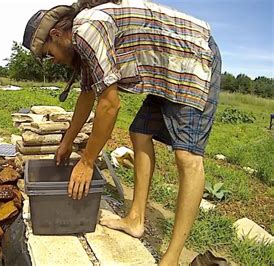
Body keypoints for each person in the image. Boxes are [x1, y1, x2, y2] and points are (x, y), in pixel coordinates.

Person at [22, 0, 221, 265]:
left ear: (57, 35)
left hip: (191, 60)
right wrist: (67, 142)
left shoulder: (87, 29)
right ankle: (135, 220)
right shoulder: (82, 43)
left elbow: (110, 103)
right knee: (140, 133)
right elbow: (87, 94)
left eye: (49, 53)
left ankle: (171, 258)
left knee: (188, 157)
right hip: (164, 70)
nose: (53, 61)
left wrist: (88, 160)